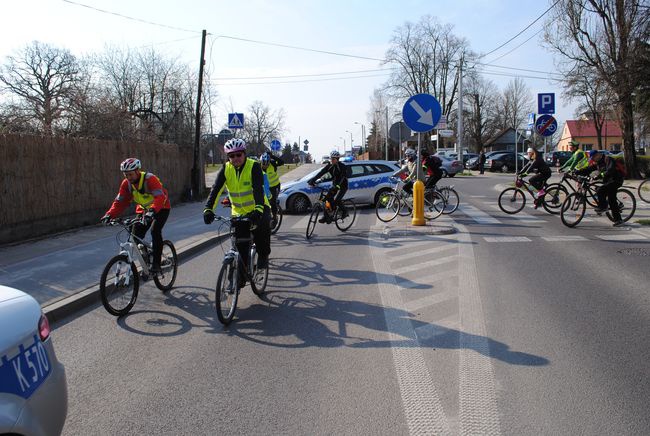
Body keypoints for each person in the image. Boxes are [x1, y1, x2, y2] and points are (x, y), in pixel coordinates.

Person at [203, 138, 271, 286]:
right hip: (239, 212)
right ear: (228, 157)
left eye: (238, 155)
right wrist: (208, 209)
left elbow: (258, 189)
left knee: (261, 235)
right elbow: (216, 190)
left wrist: (258, 209)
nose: (235, 159)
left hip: (258, 209)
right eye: (231, 156)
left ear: (244, 154)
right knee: (240, 246)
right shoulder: (226, 169)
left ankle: (263, 258)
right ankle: (237, 281)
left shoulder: (254, 166)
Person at [101, 158, 171, 274]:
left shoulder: (150, 179)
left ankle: (157, 264)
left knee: (155, 231)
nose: (128, 177)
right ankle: (146, 258)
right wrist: (109, 215)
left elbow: (160, 197)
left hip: (161, 208)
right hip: (143, 211)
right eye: (126, 175)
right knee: (135, 236)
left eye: (130, 174)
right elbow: (120, 202)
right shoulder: (126, 184)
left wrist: (152, 211)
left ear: (137, 171)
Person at [576, 149, 626, 226]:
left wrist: (599, 176)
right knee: (611, 200)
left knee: (600, 190)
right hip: (609, 181)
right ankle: (618, 220)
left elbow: (610, 170)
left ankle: (603, 206)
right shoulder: (598, 163)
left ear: (598, 155)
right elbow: (589, 169)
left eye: (593, 158)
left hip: (616, 180)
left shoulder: (608, 159)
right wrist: (577, 171)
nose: (592, 160)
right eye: (591, 159)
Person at [308, 150, 349, 224]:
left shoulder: (342, 166)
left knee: (337, 200)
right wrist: (312, 180)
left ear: (337, 159)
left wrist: (337, 186)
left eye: (333, 159)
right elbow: (320, 173)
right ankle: (327, 216)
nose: (332, 160)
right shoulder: (329, 166)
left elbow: (343, 178)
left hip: (343, 186)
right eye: (331, 158)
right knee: (326, 199)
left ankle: (345, 212)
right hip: (335, 185)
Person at [260, 151, 284, 226]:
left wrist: (272, 156)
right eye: (263, 164)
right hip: (265, 187)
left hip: (275, 186)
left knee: (272, 202)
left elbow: (282, 162)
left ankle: (274, 217)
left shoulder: (273, 163)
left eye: (267, 164)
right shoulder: (257, 166)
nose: (265, 166)